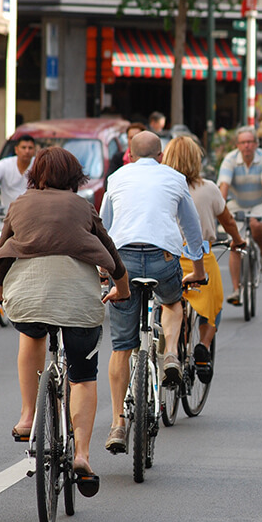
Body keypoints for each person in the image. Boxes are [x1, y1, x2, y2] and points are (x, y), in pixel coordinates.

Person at [0, 146, 131, 497]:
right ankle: (82, 455)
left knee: (31, 336)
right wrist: (121, 288)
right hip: (77, 301)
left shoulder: (20, 204)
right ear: (75, 177)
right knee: (83, 376)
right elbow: (110, 253)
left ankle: (28, 415)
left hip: (28, 294)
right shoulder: (83, 206)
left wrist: (0, 292)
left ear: (36, 174)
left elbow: (3, 251)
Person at [100, 131, 206, 452]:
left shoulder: (116, 178)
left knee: (121, 346)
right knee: (173, 302)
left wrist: (105, 270)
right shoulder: (174, 178)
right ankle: (171, 352)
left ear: (130, 156)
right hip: (162, 258)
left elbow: (103, 227)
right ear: (160, 155)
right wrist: (198, 269)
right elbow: (191, 227)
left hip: (124, 260)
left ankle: (118, 423)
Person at [162, 136, 245, 382]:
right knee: (213, 306)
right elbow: (227, 220)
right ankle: (204, 346)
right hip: (200, 258)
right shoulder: (209, 188)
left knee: (169, 304)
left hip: (169, 256)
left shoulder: (162, 187)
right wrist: (237, 239)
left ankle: (171, 347)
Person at [218, 126, 262, 301]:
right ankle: (236, 290)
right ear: (238, 145)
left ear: (256, 144)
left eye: (250, 142)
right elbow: (224, 186)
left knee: (256, 224)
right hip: (237, 203)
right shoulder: (230, 159)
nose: (247, 146)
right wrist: (220, 210)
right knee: (236, 244)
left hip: (259, 202)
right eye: (243, 142)